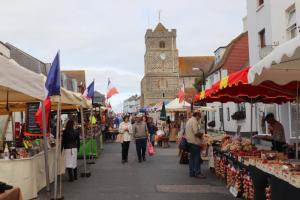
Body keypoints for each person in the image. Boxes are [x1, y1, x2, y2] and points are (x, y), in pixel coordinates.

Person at [185, 111, 205, 178]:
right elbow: (196, 132)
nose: (199, 118)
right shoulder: (194, 121)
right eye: (199, 117)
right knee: (197, 158)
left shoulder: (189, 120)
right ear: (197, 115)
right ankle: (197, 172)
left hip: (190, 142)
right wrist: (202, 134)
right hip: (194, 142)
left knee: (192, 158)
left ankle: (192, 172)